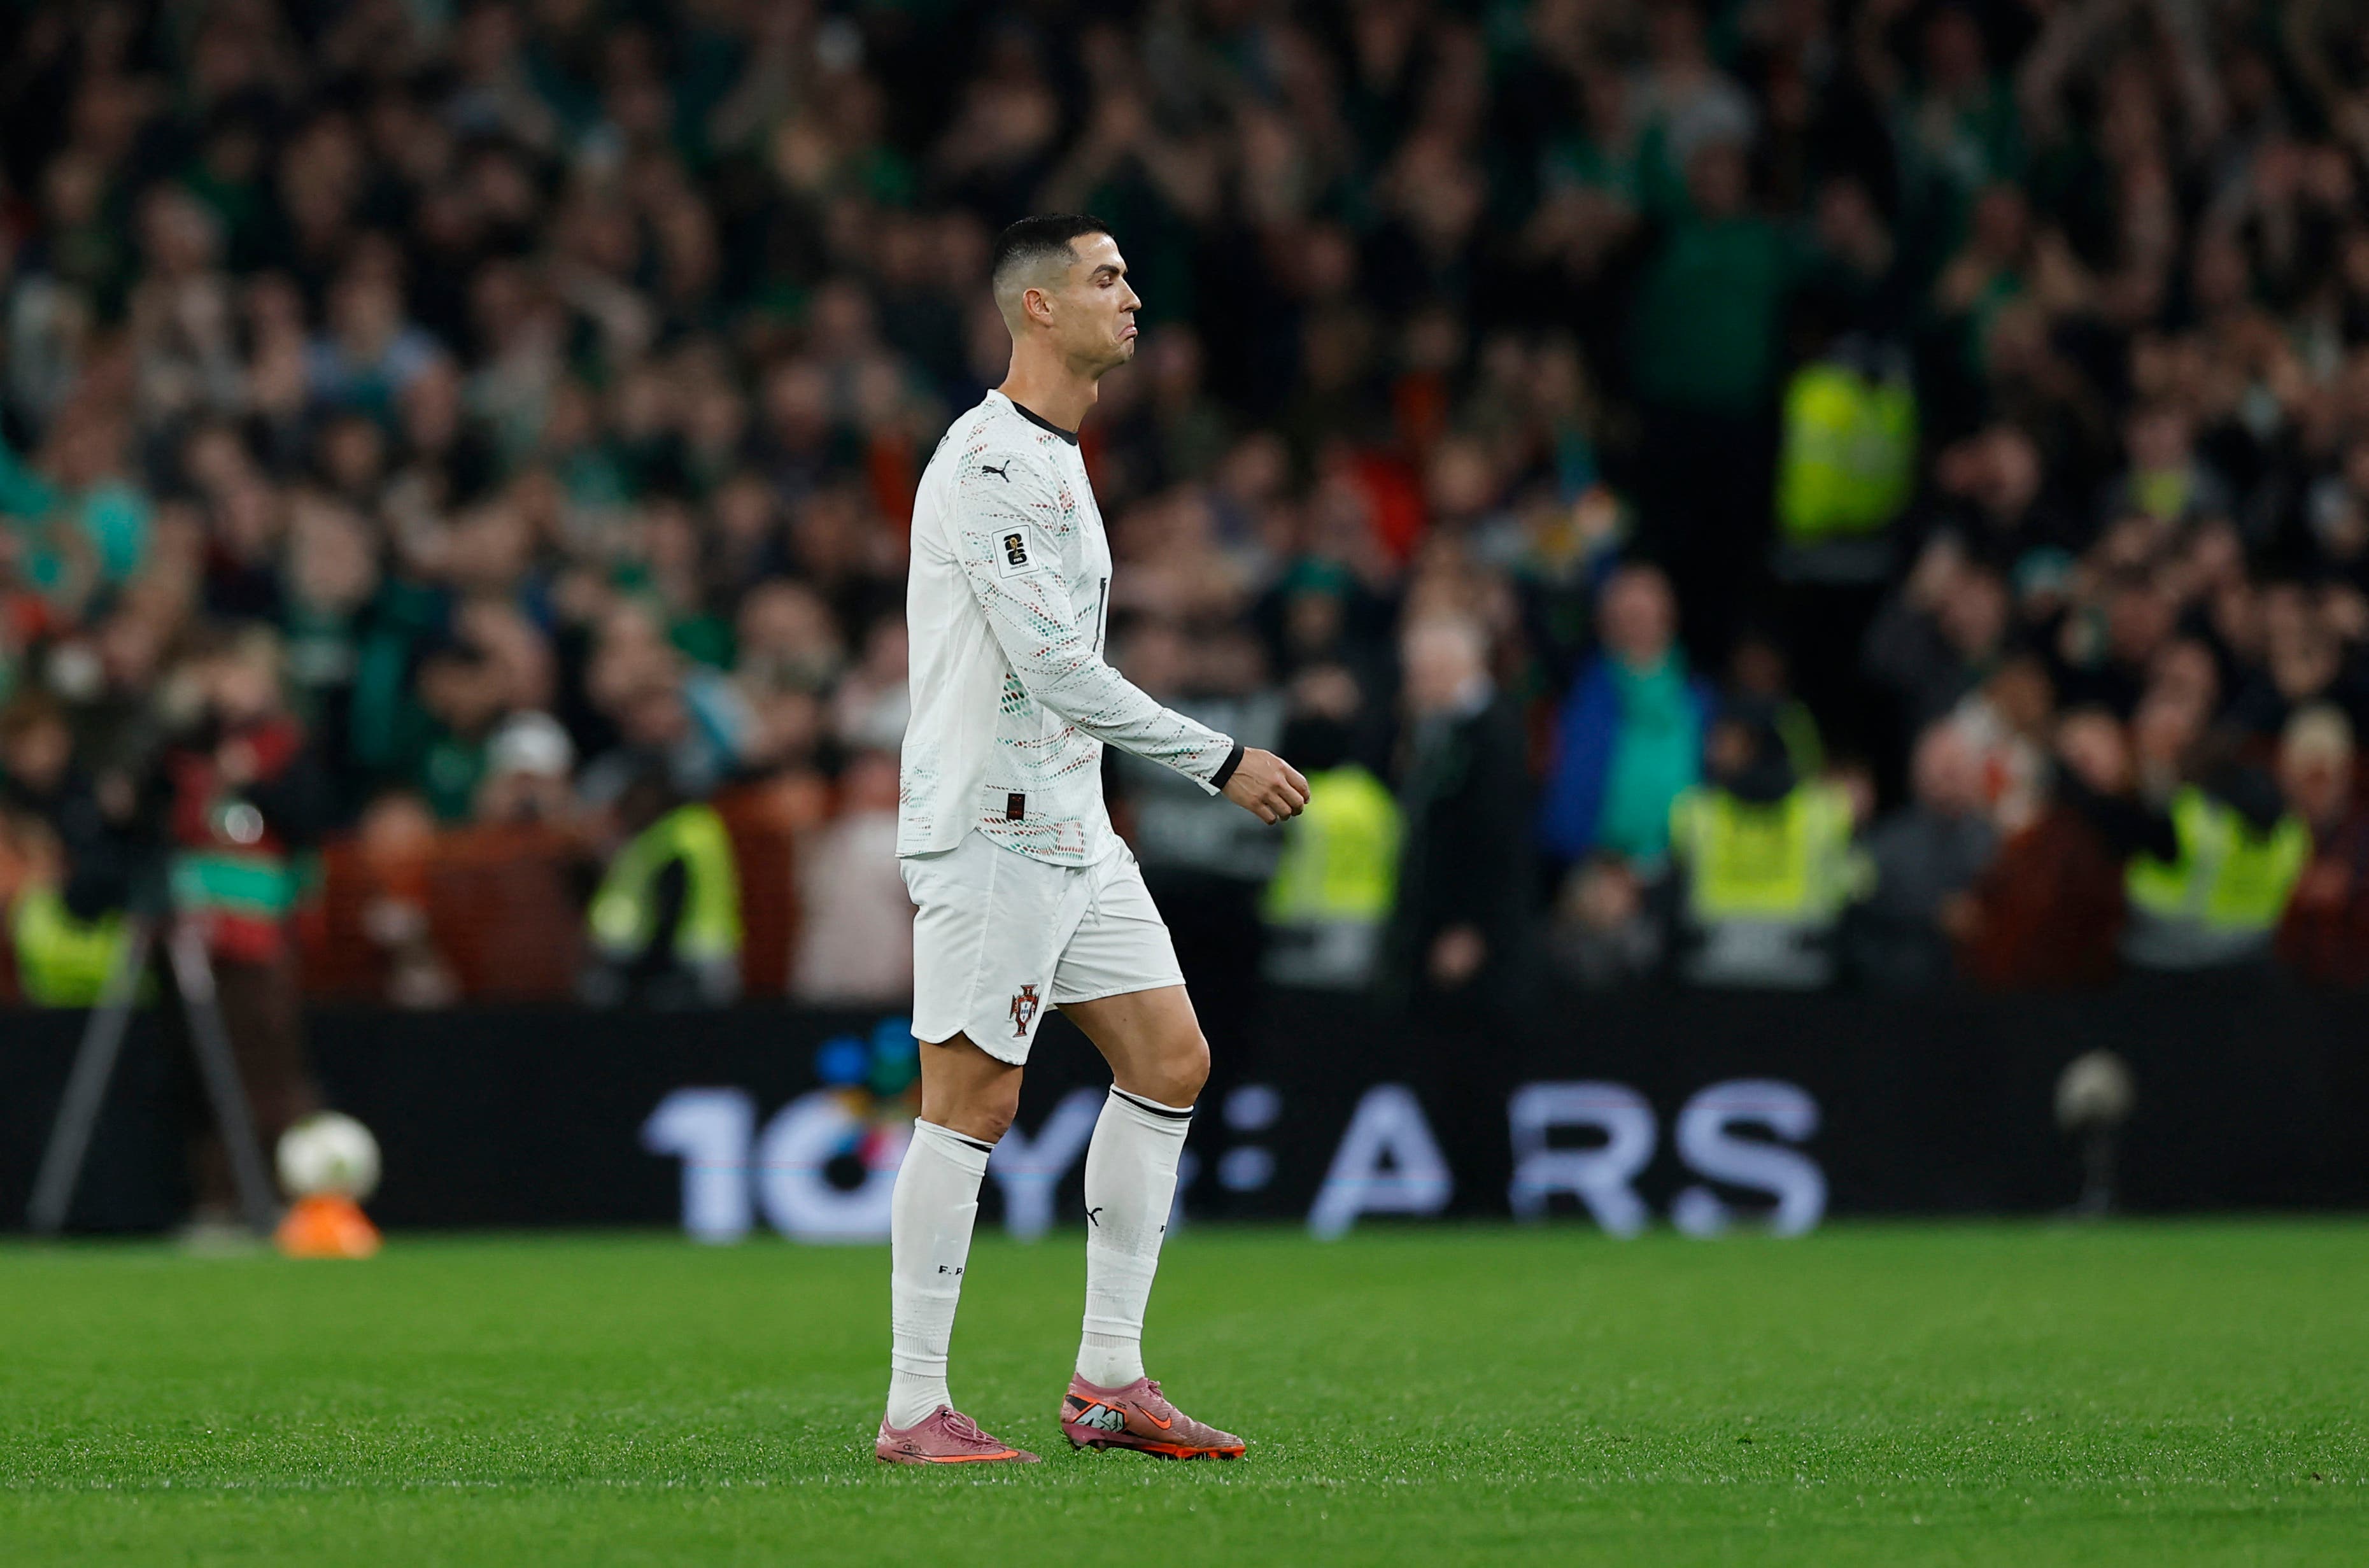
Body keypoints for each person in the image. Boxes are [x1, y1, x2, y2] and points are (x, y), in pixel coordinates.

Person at [882, 215, 1306, 1466]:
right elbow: (1055, 667)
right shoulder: (987, 464)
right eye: (1106, 280)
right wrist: (1216, 754)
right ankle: (914, 1406)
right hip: (989, 828)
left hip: (1070, 823)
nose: (1133, 298)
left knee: (1170, 1058)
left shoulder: (1061, 456)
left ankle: (1107, 1379)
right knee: (972, 1096)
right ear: (1036, 310)